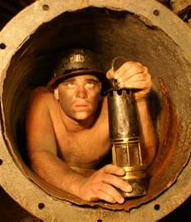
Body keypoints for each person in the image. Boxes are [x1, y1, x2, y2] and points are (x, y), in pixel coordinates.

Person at [26, 48, 157, 204]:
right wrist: (80, 185)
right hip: (55, 183)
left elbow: (144, 159)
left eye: (89, 83)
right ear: (56, 92)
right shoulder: (43, 101)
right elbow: (40, 155)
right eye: (70, 84)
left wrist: (140, 101)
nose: (81, 94)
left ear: (100, 88)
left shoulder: (112, 108)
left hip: (93, 176)